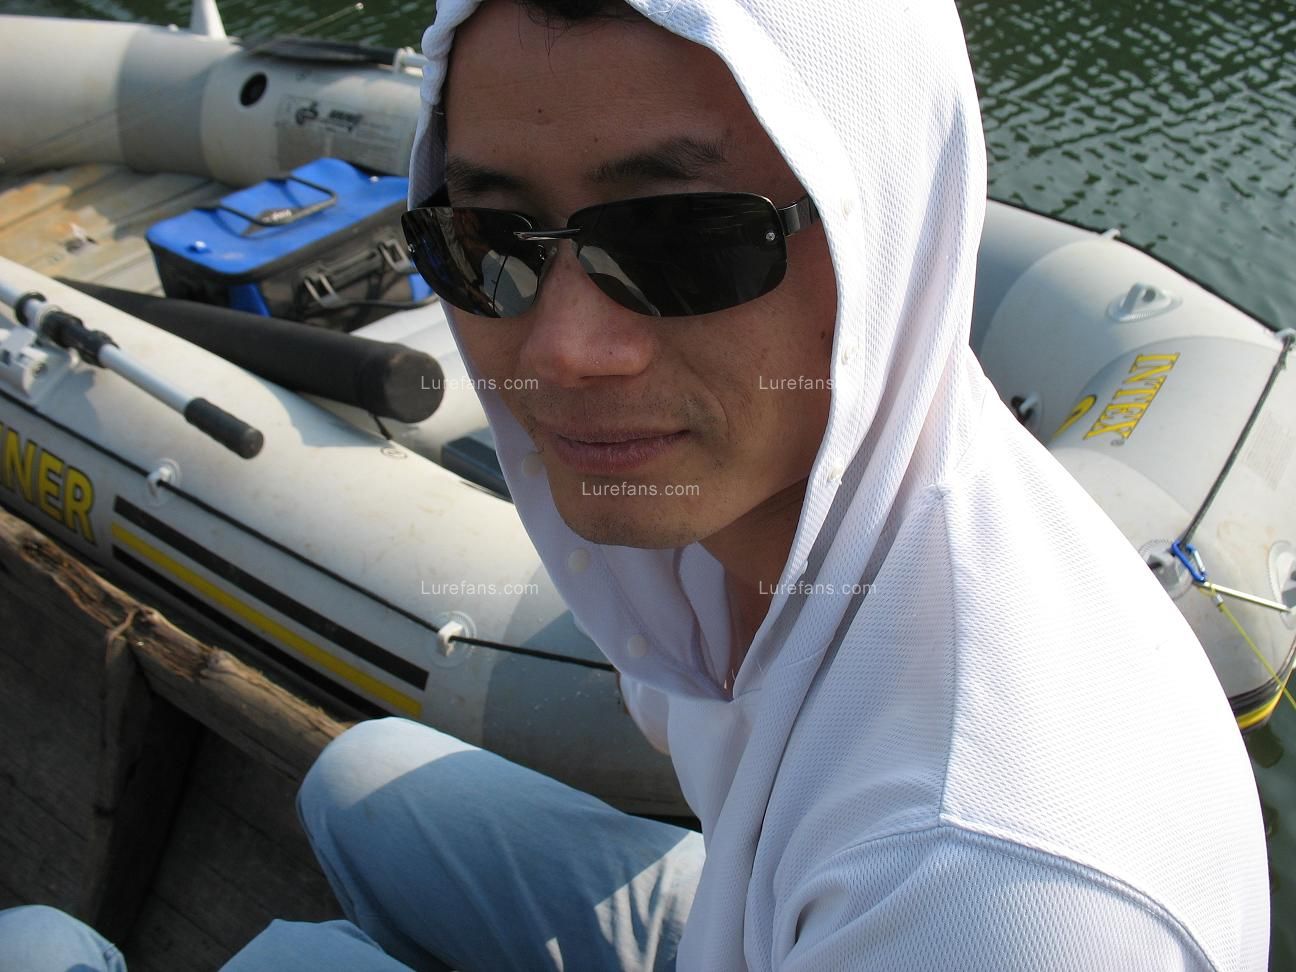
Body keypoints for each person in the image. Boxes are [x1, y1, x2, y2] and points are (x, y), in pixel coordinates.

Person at [2, 0, 1270, 969]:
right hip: (755, 909)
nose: (564, 351)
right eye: (484, 240)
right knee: (364, 778)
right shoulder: (844, 504)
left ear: (889, 232)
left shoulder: (990, 901)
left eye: (684, 242)